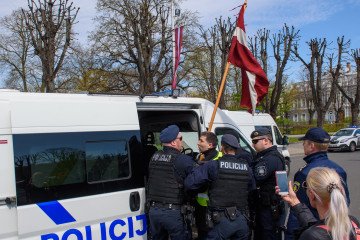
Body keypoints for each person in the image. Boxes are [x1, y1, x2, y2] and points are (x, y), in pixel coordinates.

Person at [184, 134, 255, 240]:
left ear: (222, 147)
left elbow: (190, 183)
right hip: (242, 219)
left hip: (220, 220)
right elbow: (252, 190)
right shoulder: (246, 168)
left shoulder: (213, 165)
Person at [285, 127, 350, 240]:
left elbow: (297, 209)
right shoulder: (339, 169)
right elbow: (345, 201)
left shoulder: (306, 173)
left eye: (304, 143)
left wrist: (290, 236)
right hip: (338, 228)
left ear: (312, 146)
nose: (303, 145)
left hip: (312, 229)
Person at [278, 167, 359, 240]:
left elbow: (318, 230)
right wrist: (295, 202)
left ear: (312, 194)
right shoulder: (352, 222)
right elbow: (319, 226)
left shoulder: (310, 236)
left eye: (306, 185)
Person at [146, 125, 195, 240]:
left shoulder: (154, 156)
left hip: (154, 211)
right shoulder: (182, 160)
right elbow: (196, 181)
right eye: (181, 138)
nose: (182, 141)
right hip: (173, 212)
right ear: (173, 142)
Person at [250, 127, 286, 240]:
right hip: (264, 205)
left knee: (267, 235)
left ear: (266, 140)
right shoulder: (263, 156)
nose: (253, 144)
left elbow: (255, 178)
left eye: (255, 141)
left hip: (269, 207)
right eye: (252, 141)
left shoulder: (270, 159)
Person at [195, 131, 223, 239]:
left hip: (214, 206)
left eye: (201, 141)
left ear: (210, 145)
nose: (198, 143)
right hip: (201, 206)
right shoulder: (201, 157)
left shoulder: (219, 160)